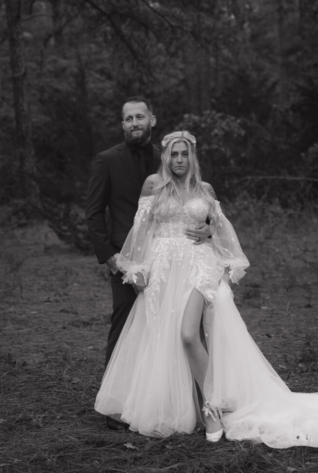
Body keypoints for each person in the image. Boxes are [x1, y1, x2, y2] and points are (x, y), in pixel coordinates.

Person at [94, 130, 318, 448]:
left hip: (199, 267)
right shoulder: (153, 185)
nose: (180, 160)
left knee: (188, 334)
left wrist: (210, 232)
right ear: (166, 157)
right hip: (163, 271)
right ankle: (177, 405)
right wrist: (137, 268)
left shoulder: (204, 189)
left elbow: (221, 231)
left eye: (185, 154)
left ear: (193, 156)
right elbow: (141, 230)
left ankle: (211, 407)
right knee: (164, 339)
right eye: (174, 154)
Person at [86, 100, 210, 430]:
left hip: (173, 262)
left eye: (140, 116)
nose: (134, 122)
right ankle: (120, 404)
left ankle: (188, 399)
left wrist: (206, 229)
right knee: (128, 327)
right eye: (128, 119)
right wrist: (115, 261)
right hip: (126, 259)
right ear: (122, 124)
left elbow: (195, 200)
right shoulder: (107, 160)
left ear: (152, 119)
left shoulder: (169, 153)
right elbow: (94, 214)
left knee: (181, 327)